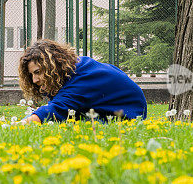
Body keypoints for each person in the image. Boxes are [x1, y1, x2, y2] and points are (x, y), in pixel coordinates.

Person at [19, 39, 147, 124]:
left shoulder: (82, 77)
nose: (34, 80)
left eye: (37, 72)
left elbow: (57, 109)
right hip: (113, 110)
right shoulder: (76, 69)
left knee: (68, 122)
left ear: (52, 66)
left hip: (129, 116)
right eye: (31, 75)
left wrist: (20, 124)